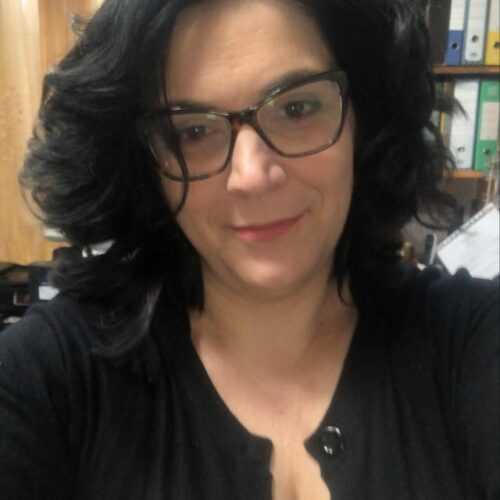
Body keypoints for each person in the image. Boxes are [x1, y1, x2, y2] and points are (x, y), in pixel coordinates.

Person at [0, 0, 498, 498]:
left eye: (297, 109)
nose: (252, 176)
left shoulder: (472, 342)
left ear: (363, 119)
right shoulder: (45, 377)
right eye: (193, 131)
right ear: (145, 167)